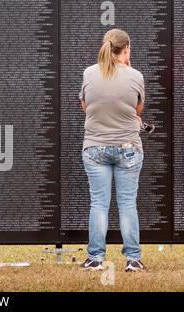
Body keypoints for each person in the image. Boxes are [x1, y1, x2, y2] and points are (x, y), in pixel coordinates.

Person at [79, 29, 145, 272]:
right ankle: (133, 259)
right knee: (128, 204)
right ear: (126, 49)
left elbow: (87, 107)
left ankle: (95, 258)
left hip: (95, 148)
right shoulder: (136, 76)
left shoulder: (89, 73)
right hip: (128, 148)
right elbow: (137, 110)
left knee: (99, 203)